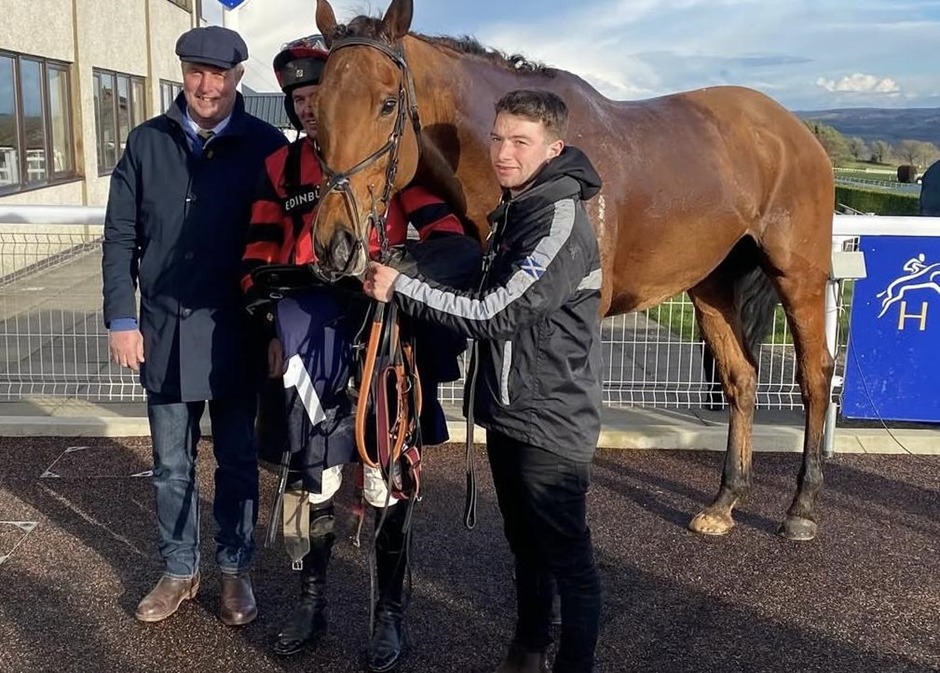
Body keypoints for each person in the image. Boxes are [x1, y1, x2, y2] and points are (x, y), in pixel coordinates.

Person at [241, 35, 480, 672]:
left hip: (383, 338)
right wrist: (270, 318)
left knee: (385, 477)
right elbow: (257, 256)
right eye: (299, 98)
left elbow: (453, 240)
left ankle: (388, 616)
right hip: (308, 340)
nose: (310, 107)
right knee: (313, 475)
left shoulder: (387, 164)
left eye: (320, 93)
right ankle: (312, 602)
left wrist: (401, 269)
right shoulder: (282, 171)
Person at [364, 89, 604, 673]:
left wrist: (403, 288)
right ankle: (527, 649)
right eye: (497, 137)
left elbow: (496, 312)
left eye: (519, 142)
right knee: (526, 543)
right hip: (509, 407)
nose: (502, 152)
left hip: (551, 417)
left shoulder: (558, 221)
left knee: (568, 556)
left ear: (554, 148)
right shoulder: (520, 206)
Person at [102, 26, 288, 626]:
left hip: (239, 332)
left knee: (236, 461)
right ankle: (180, 569)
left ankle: (235, 569)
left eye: (219, 74)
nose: (206, 86)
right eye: (195, 72)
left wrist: (280, 331)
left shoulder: (266, 146)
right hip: (163, 330)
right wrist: (121, 319)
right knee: (172, 465)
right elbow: (120, 239)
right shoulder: (145, 141)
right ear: (182, 73)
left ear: (238, 77)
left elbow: (283, 251)